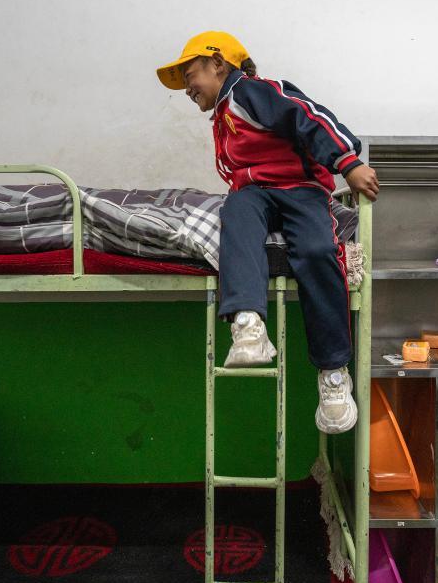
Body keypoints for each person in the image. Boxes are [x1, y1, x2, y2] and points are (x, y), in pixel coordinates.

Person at [156, 31, 379, 434]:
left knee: (316, 250)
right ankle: (248, 324)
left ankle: (333, 372)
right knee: (237, 214)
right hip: (255, 192)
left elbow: (307, 116)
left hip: (299, 189)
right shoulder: (223, 113)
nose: (188, 88)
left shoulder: (251, 92)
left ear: (218, 64)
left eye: (190, 76)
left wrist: (347, 162)